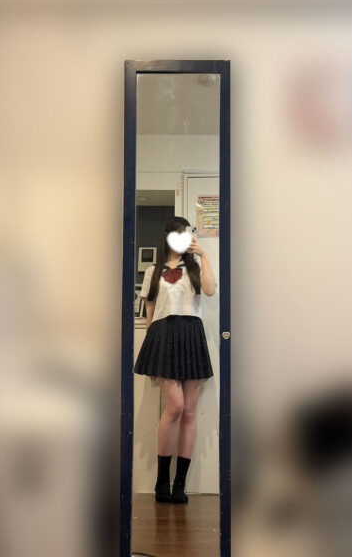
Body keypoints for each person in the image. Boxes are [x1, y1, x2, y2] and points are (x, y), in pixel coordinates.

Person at [133, 216, 217, 504]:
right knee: (176, 407)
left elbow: (209, 290)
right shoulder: (153, 271)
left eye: (187, 233)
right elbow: (150, 313)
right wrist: (151, 355)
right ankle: (161, 482)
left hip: (191, 335)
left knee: (190, 411)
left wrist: (204, 255)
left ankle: (179, 484)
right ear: (168, 236)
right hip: (163, 336)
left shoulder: (195, 267)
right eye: (179, 234)